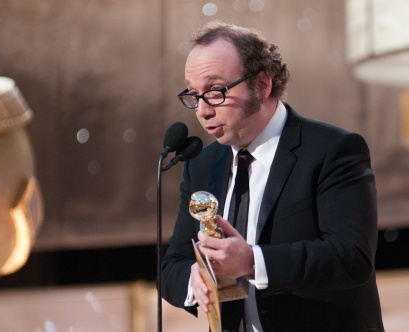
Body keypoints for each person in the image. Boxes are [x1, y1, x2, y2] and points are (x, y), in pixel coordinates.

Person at [162, 21, 384, 332]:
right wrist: (196, 279)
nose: (202, 110)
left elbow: (351, 258)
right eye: (193, 94)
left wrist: (252, 262)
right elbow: (171, 266)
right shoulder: (202, 163)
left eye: (214, 91)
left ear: (262, 85)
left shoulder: (333, 150)